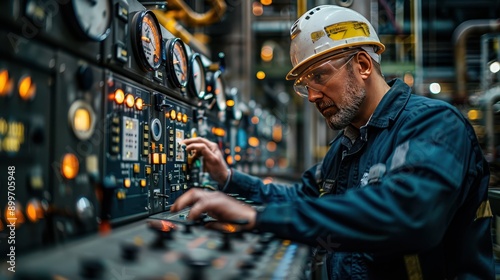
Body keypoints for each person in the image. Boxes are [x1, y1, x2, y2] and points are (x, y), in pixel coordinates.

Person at [172, 5, 495, 279]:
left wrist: (257, 218)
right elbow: (299, 197)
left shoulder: (433, 123)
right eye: (304, 83)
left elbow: (409, 217)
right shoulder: (348, 145)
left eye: (320, 76)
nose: (311, 95)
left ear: (364, 65)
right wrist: (228, 179)